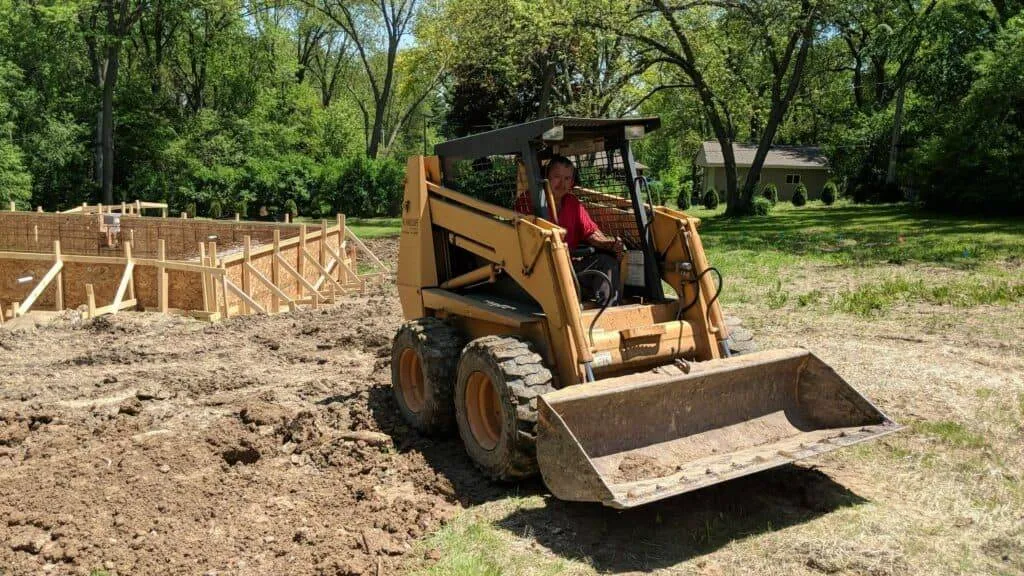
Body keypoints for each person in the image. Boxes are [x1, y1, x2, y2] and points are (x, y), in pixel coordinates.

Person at [517, 155, 624, 305]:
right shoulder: (528, 201)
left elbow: (590, 232)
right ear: (545, 177)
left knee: (607, 261)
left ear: (572, 181)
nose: (562, 184)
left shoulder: (572, 203)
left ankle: (609, 310)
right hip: (540, 269)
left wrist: (610, 243)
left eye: (567, 178)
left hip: (570, 265)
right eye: (557, 177)